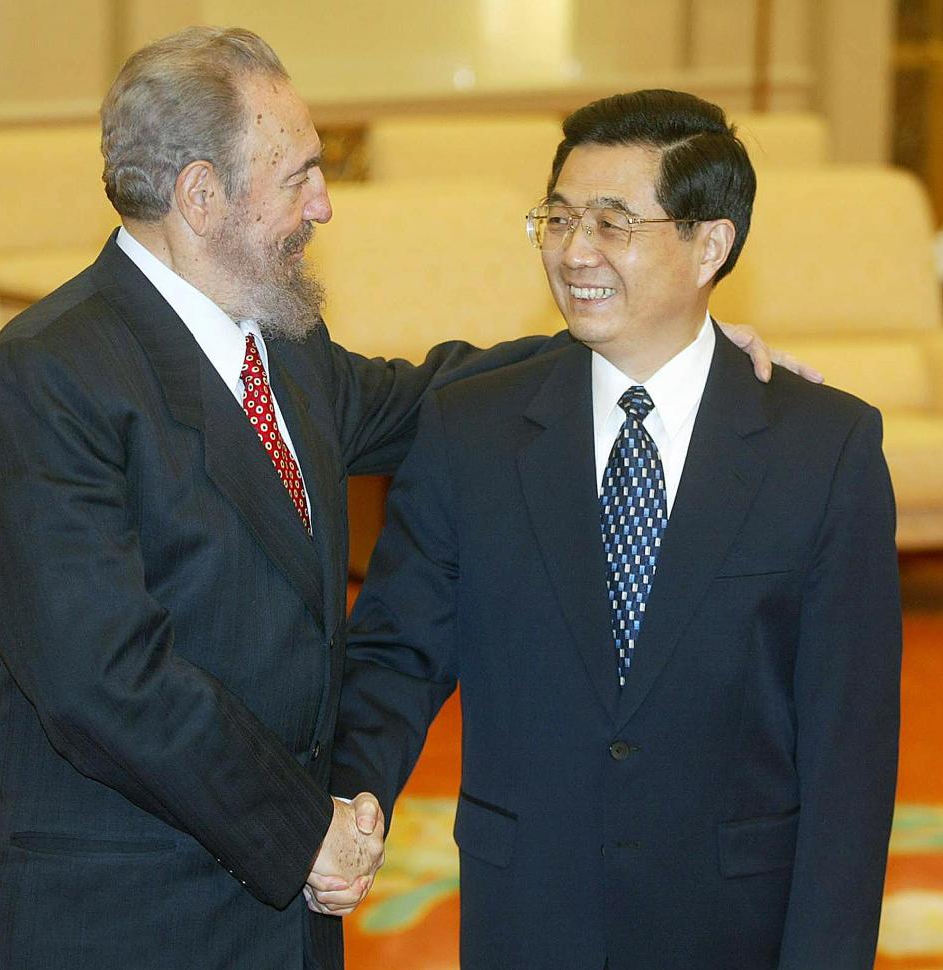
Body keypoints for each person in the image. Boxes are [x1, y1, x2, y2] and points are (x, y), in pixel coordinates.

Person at [0, 26, 794, 968]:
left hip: (284, 926)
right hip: (123, 920)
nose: (324, 205)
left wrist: (665, 340)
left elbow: (442, 397)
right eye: (300, 174)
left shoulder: (285, 350)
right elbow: (104, 683)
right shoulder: (47, 378)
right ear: (200, 195)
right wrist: (302, 830)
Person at [330, 89, 902, 969]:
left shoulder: (823, 449)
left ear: (711, 243)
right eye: (557, 219)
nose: (573, 251)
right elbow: (396, 657)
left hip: (733, 923)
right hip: (527, 914)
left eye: (612, 221)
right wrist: (347, 802)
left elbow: (850, 757)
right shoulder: (472, 434)